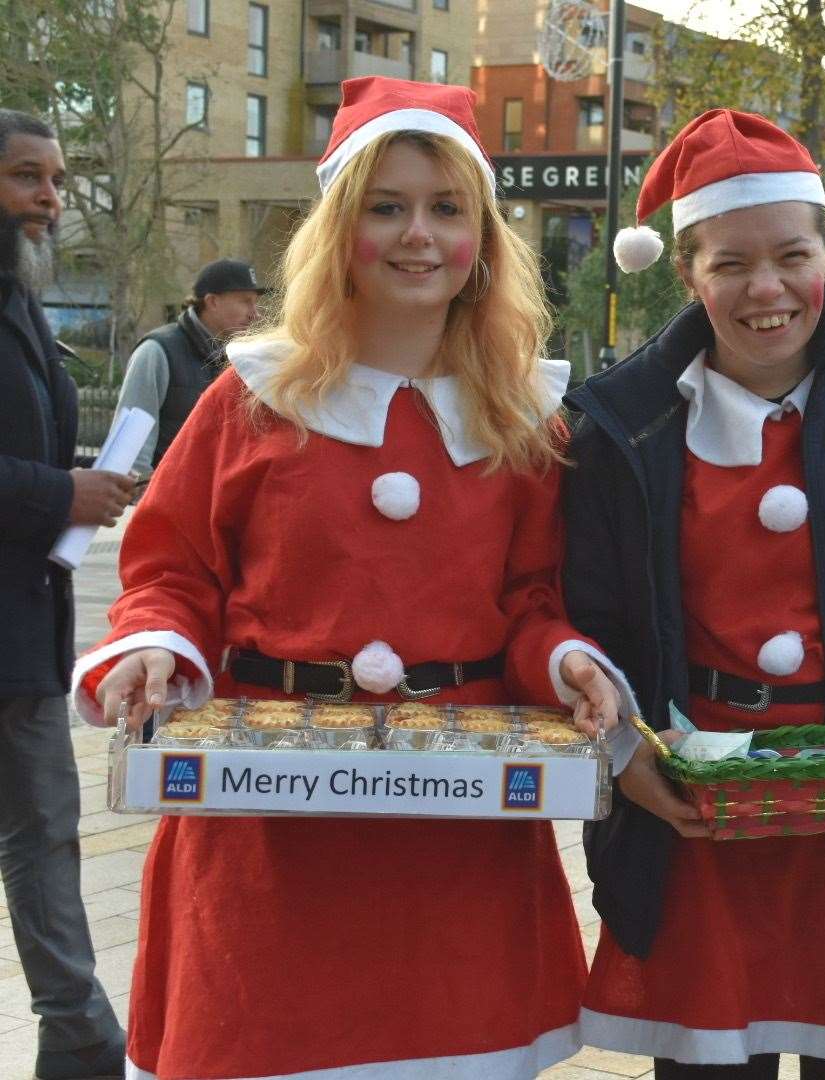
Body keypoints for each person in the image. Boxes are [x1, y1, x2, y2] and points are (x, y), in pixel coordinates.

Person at [68, 77, 637, 1078]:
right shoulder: (249, 401)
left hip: (457, 858)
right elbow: (171, 571)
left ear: (482, 240)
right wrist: (154, 648)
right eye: (386, 206)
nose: (417, 235)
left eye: (445, 208)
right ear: (340, 229)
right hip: (267, 849)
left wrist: (571, 665)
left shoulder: (523, 424)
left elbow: (532, 606)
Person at [567, 108, 825, 1077]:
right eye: (730, 264)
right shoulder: (618, 426)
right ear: (685, 273)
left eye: (792, 255)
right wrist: (627, 755)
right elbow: (587, 615)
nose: (767, 290)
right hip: (699, 821)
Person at [0, 107, 129, 1080]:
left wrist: (84, 487)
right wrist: (61, 494)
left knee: (46, 829)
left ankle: (79, 1039)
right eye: (26, 177)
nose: (50, 198)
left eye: (53, 177)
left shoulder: (21, 298)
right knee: (42, 831)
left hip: (22, 631)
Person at [115, 258, 265, 475]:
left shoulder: (242, 358)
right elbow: (131, 448)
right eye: (245, 301)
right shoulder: (158, 351)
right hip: (167, 499)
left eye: (255, 302)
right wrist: (142, 492)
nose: (255, 313)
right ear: (212, 301)